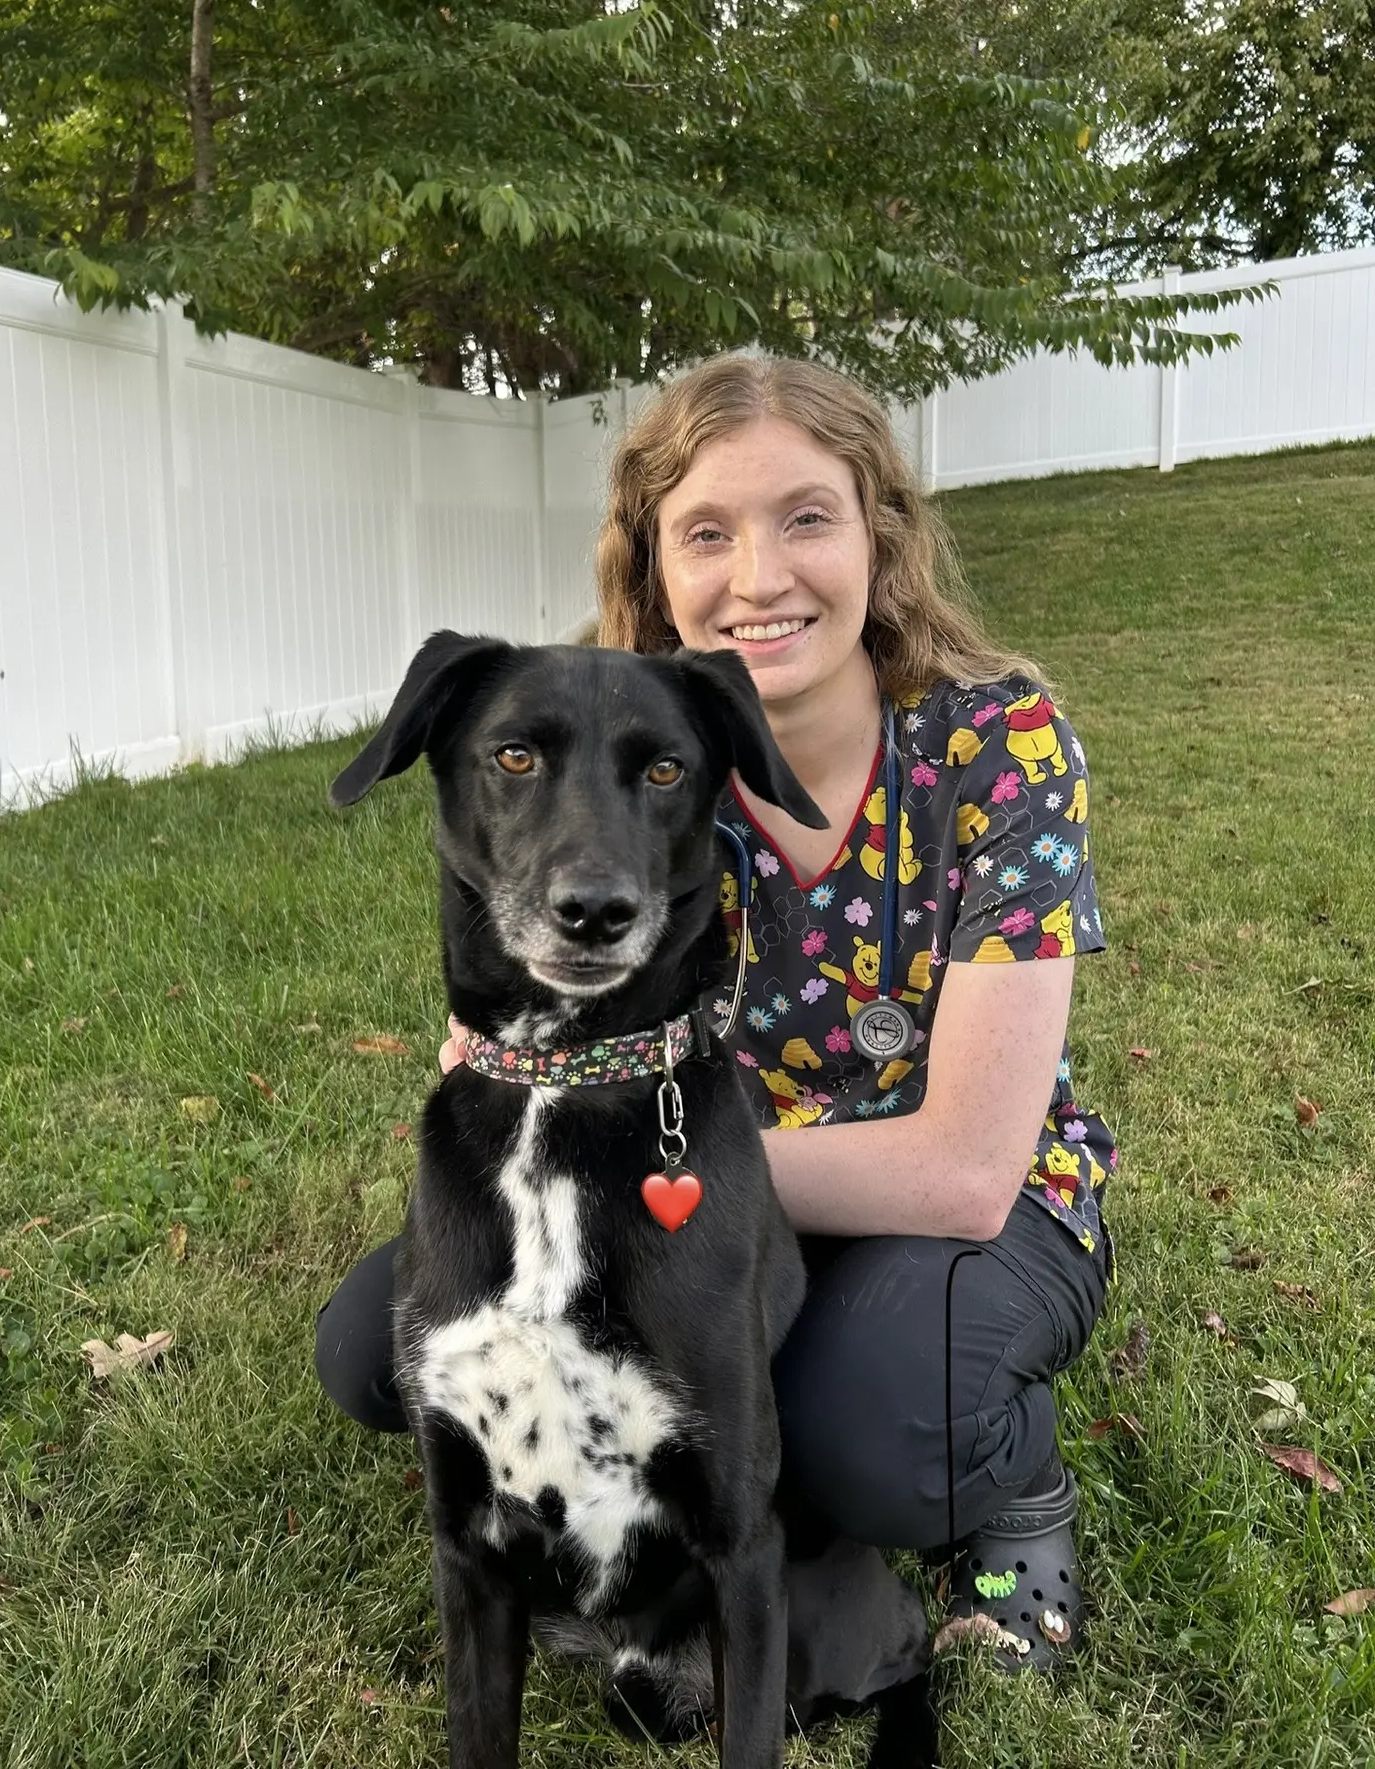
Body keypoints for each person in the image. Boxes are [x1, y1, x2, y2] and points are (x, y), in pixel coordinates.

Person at [315, 354, 1115, 1674]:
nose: (759, 576)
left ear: (879, 534)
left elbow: (970, 1169)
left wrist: (688, 1180)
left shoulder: (995, 747)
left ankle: (1013, 1483)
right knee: (374, 1347)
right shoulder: (637, 750)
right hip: (688, 1190)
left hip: (956, 1202)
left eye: (807, 517)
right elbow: (529, 1014)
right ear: (653, 565)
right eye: (705, 533)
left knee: (868, 1428)